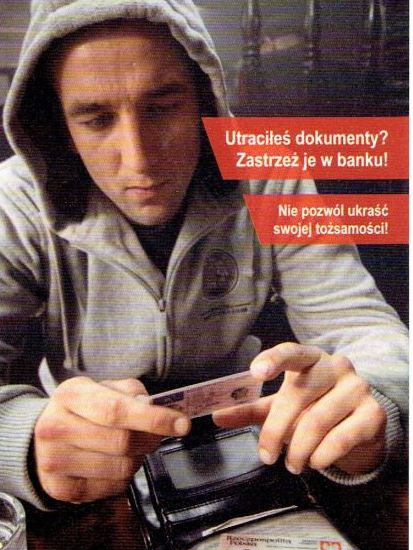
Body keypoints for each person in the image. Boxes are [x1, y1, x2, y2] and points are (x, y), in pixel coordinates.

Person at [0, 0, 408, 511]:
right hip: (82, 473)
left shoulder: (270, 173)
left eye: (162, 107)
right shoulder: (13, 204)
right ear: (59, 126)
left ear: (205, 99)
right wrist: (24, 442)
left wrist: (374, 402)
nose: (140, 159)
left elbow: (365, 328)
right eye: (97, 119)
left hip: (249, 443)